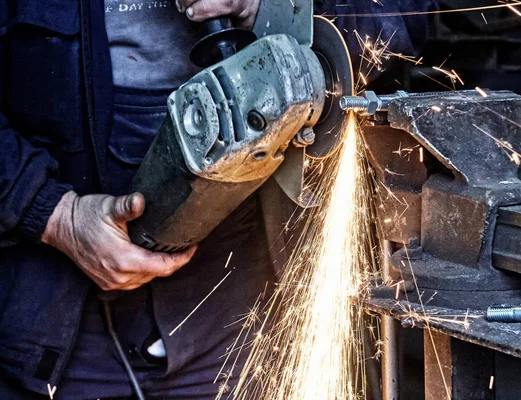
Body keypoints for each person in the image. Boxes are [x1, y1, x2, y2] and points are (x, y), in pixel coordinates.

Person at [0, 0, 434, 398]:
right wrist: (52, 214)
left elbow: (406, 13)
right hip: (50, 327)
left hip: (242, 318)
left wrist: (271, 8)